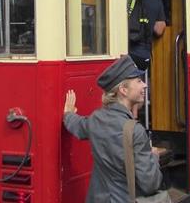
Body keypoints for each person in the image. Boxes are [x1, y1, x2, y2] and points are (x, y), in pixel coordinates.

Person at [63, 55, 165, 202]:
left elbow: (78, 126)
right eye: (138, 81)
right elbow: (150, 184)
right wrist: (154, 157)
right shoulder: (135, 131)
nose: (144, 85)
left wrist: (67, 114)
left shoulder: (96, 119)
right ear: (123, 90)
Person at [127, 0, 166, 71]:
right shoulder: (155, 0)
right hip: (141, 54)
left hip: (122, 52)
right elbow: (159, 30)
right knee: (139, 82)